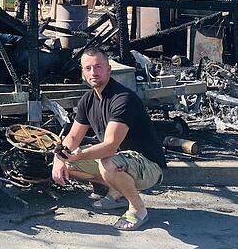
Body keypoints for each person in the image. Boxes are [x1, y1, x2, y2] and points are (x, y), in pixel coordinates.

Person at [52, 47, 166, 231]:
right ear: (83, 73)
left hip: (148, 166)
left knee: (107, 161)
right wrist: (59, 158)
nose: (93, 72)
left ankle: (138, 209)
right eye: (88, 68)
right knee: (68, 165)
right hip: (120, 160)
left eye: (98, 67)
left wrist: (80, 154)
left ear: (108, 69)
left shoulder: (122, 99)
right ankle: (117, 194)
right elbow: (73, 136)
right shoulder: (88, 100)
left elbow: (111, 146)